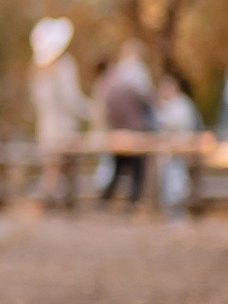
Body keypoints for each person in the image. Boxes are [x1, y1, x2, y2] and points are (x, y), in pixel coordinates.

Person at [28, 17, 90, 206]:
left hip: (46, 129)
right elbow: (71, 99)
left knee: (52, 169)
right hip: (65, 129)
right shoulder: (64, 65)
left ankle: (52, 204)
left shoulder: (36, 70)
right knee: (64, 169)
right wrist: (92, 111)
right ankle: (59, 206)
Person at [96, 41, 155, 205]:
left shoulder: (115, 74)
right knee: (137, 168)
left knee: (118, 167)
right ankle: (134, 202)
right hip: (136, 128)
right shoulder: (138, 73)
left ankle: (105, 200)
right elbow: (147, 98)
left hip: (118, 130)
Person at [154, 70, 201, 221]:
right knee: (169, 183)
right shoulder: (166, 105)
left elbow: (182, 125)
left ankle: (178, 213)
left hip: (181, 151)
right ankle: (171, 213)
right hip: (169, 153)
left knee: (179, 183)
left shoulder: (182, 105)